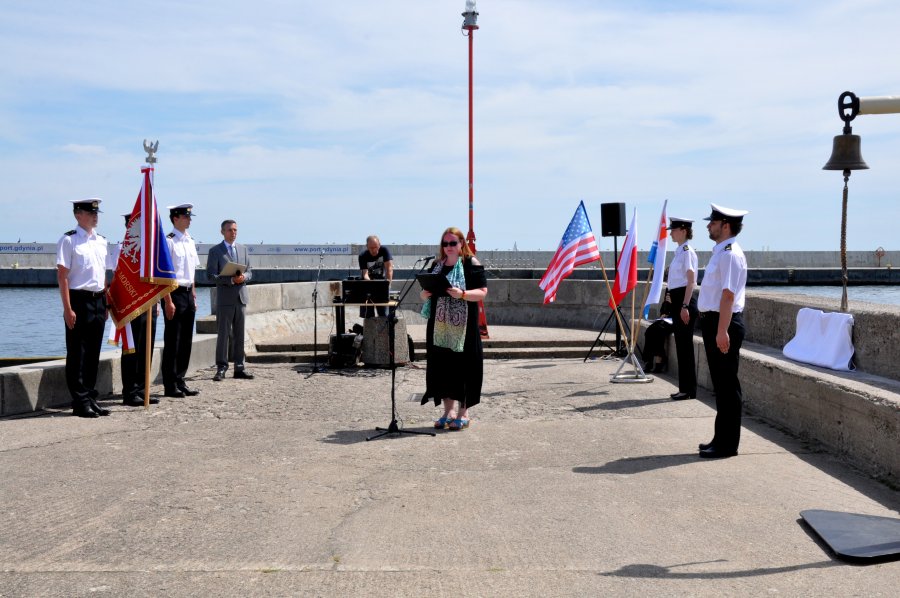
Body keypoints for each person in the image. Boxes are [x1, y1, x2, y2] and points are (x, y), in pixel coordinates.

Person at [419, 227, 488, 431]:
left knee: (464, 367)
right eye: (445, 243)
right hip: (440, 325)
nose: (448, 247)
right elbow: (429, 291)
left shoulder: (471, 263)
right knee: (443, 366)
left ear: (461, 244)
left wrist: (463, 294)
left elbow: (482, 293)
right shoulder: (436, 265)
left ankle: (463, 412)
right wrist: (424, 295)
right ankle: (448, 411)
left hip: (464, 325)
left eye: (452, 243)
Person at [697, 203, 749, 459]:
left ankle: (728, 445)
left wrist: (722, 331)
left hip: (723, 322)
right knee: (721, 384)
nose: (708, 225)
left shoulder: (729, 254)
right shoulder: (721, 251)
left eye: (713, 222)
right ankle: (720, 438)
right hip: (715, 321)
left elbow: (728, 296)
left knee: (727, 385)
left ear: (725, 225)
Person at [56, 198, 116, 418]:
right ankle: (80, 402)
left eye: (96, 213)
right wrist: (67, 308)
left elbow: (105, 275)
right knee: (77, 353)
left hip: (98, 300)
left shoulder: (101, 241)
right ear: (77, 215)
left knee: (93, 353)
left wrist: (107, 303)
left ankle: (91, 397)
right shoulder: (68, 241)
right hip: (78, 300)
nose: (95, 216)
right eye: (90, 213)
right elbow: (62, 276)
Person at [118, 212, 160, 407]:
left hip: (148, 304)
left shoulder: (149, 251)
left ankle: (143, 389)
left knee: (146, 348)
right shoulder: (120, 249)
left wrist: (157, 301)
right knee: (131, 350)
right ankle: (130, 391)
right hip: (130, 306)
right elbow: (116, 280)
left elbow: (155, 280)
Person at [160, 204, 201, 398]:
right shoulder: (169, 242)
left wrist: (193, 294)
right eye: (186, 217)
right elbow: (163, 275)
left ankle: (181, 380)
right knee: (173, 341)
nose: (190, 220)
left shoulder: (190, 241)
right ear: (176, 218)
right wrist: (168, 300)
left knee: (186, 341)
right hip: (173, 293)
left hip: (187, 294)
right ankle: (170, 384)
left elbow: (192, 272)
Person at [206, 219, 253, 381]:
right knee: (223, 335)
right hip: (225, 299)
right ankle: (221, 367)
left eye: (235, 230)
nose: (233, 233)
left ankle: (239, 367)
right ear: (222, 232)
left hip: (241, 297)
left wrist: (244, 277)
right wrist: (231, 280)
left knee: (240, 335)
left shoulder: (243, 250)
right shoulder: (215, 251)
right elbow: (211, 276)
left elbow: (250, 272)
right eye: (230, 230)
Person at [666, 217, 699, 400]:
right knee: (681, 347)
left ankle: (688, 390)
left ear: (684, 230)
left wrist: (685, 305)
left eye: (674, 229)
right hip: (678, 300)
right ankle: (685, 388)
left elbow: (691, 280)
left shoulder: (687, 251)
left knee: (685, 348)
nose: (671, 232)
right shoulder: (679, 251)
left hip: (684, 302)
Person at [358, 235, 393, 318]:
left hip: (382, 285)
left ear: (379, 245)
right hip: (368, 287)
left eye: (375, 247)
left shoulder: (384, 251)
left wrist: (388, 284)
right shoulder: (362, 256)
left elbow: (389, 269)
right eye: (371, 248)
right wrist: (370, 284)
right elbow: (365, 274)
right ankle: (369, 330)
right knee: (368, 316)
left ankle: (384, 330)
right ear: (367, 247)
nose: (374, 250)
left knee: (384, 315)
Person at [642, 293, 673, 373]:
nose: (667, 295)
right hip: (665, 321)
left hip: (674, 322)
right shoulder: (666, 300)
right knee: (649, 331)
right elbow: (663, 311)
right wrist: (663, 314)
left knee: (659, 331)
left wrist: (673, 304)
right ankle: (648, 361)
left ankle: (659, 360)